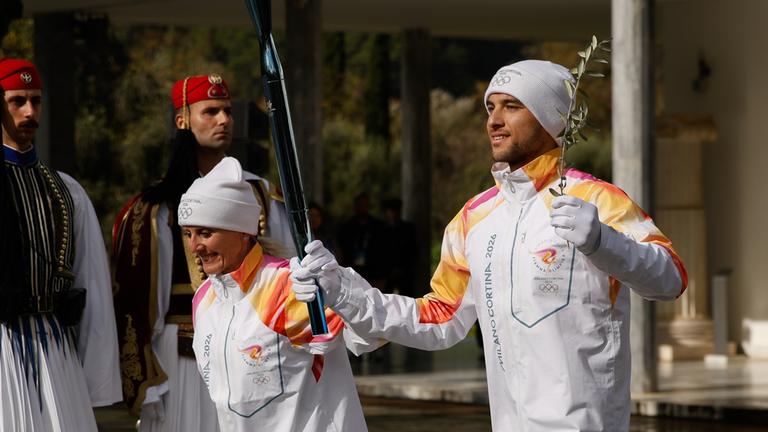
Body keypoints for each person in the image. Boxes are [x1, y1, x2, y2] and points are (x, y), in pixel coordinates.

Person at [291, 60, 689, 431]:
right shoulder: (474, 217)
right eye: (490, 107)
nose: (494, 121)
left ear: (550, 118)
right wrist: (343, 290)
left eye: (512, 106)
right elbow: (440, 320)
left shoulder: (597, 200)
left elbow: (671, 278)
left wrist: (605, 242)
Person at [112, 74, 294, 431]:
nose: (224, 120)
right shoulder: (153, 208)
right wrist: (147, 377)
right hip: (181, 360)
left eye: (227, 111)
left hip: (250, 351)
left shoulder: (260, 195)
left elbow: (288, 273)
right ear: (182, 121)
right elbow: (135, 301)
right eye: (210, 111)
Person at [178, 157, 368, 431]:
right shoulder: (204, 299)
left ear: (242, 232)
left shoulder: (288, 286)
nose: (195, 246)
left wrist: (341, 289)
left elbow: (370, 334)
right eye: (188, 234)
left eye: (205, 233)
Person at [0, 58, 122, 431]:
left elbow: (93, 284)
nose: (29, 111)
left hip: (55, 347)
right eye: (17, 101)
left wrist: (97, 376)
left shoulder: (65, 190)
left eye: (36, 101)